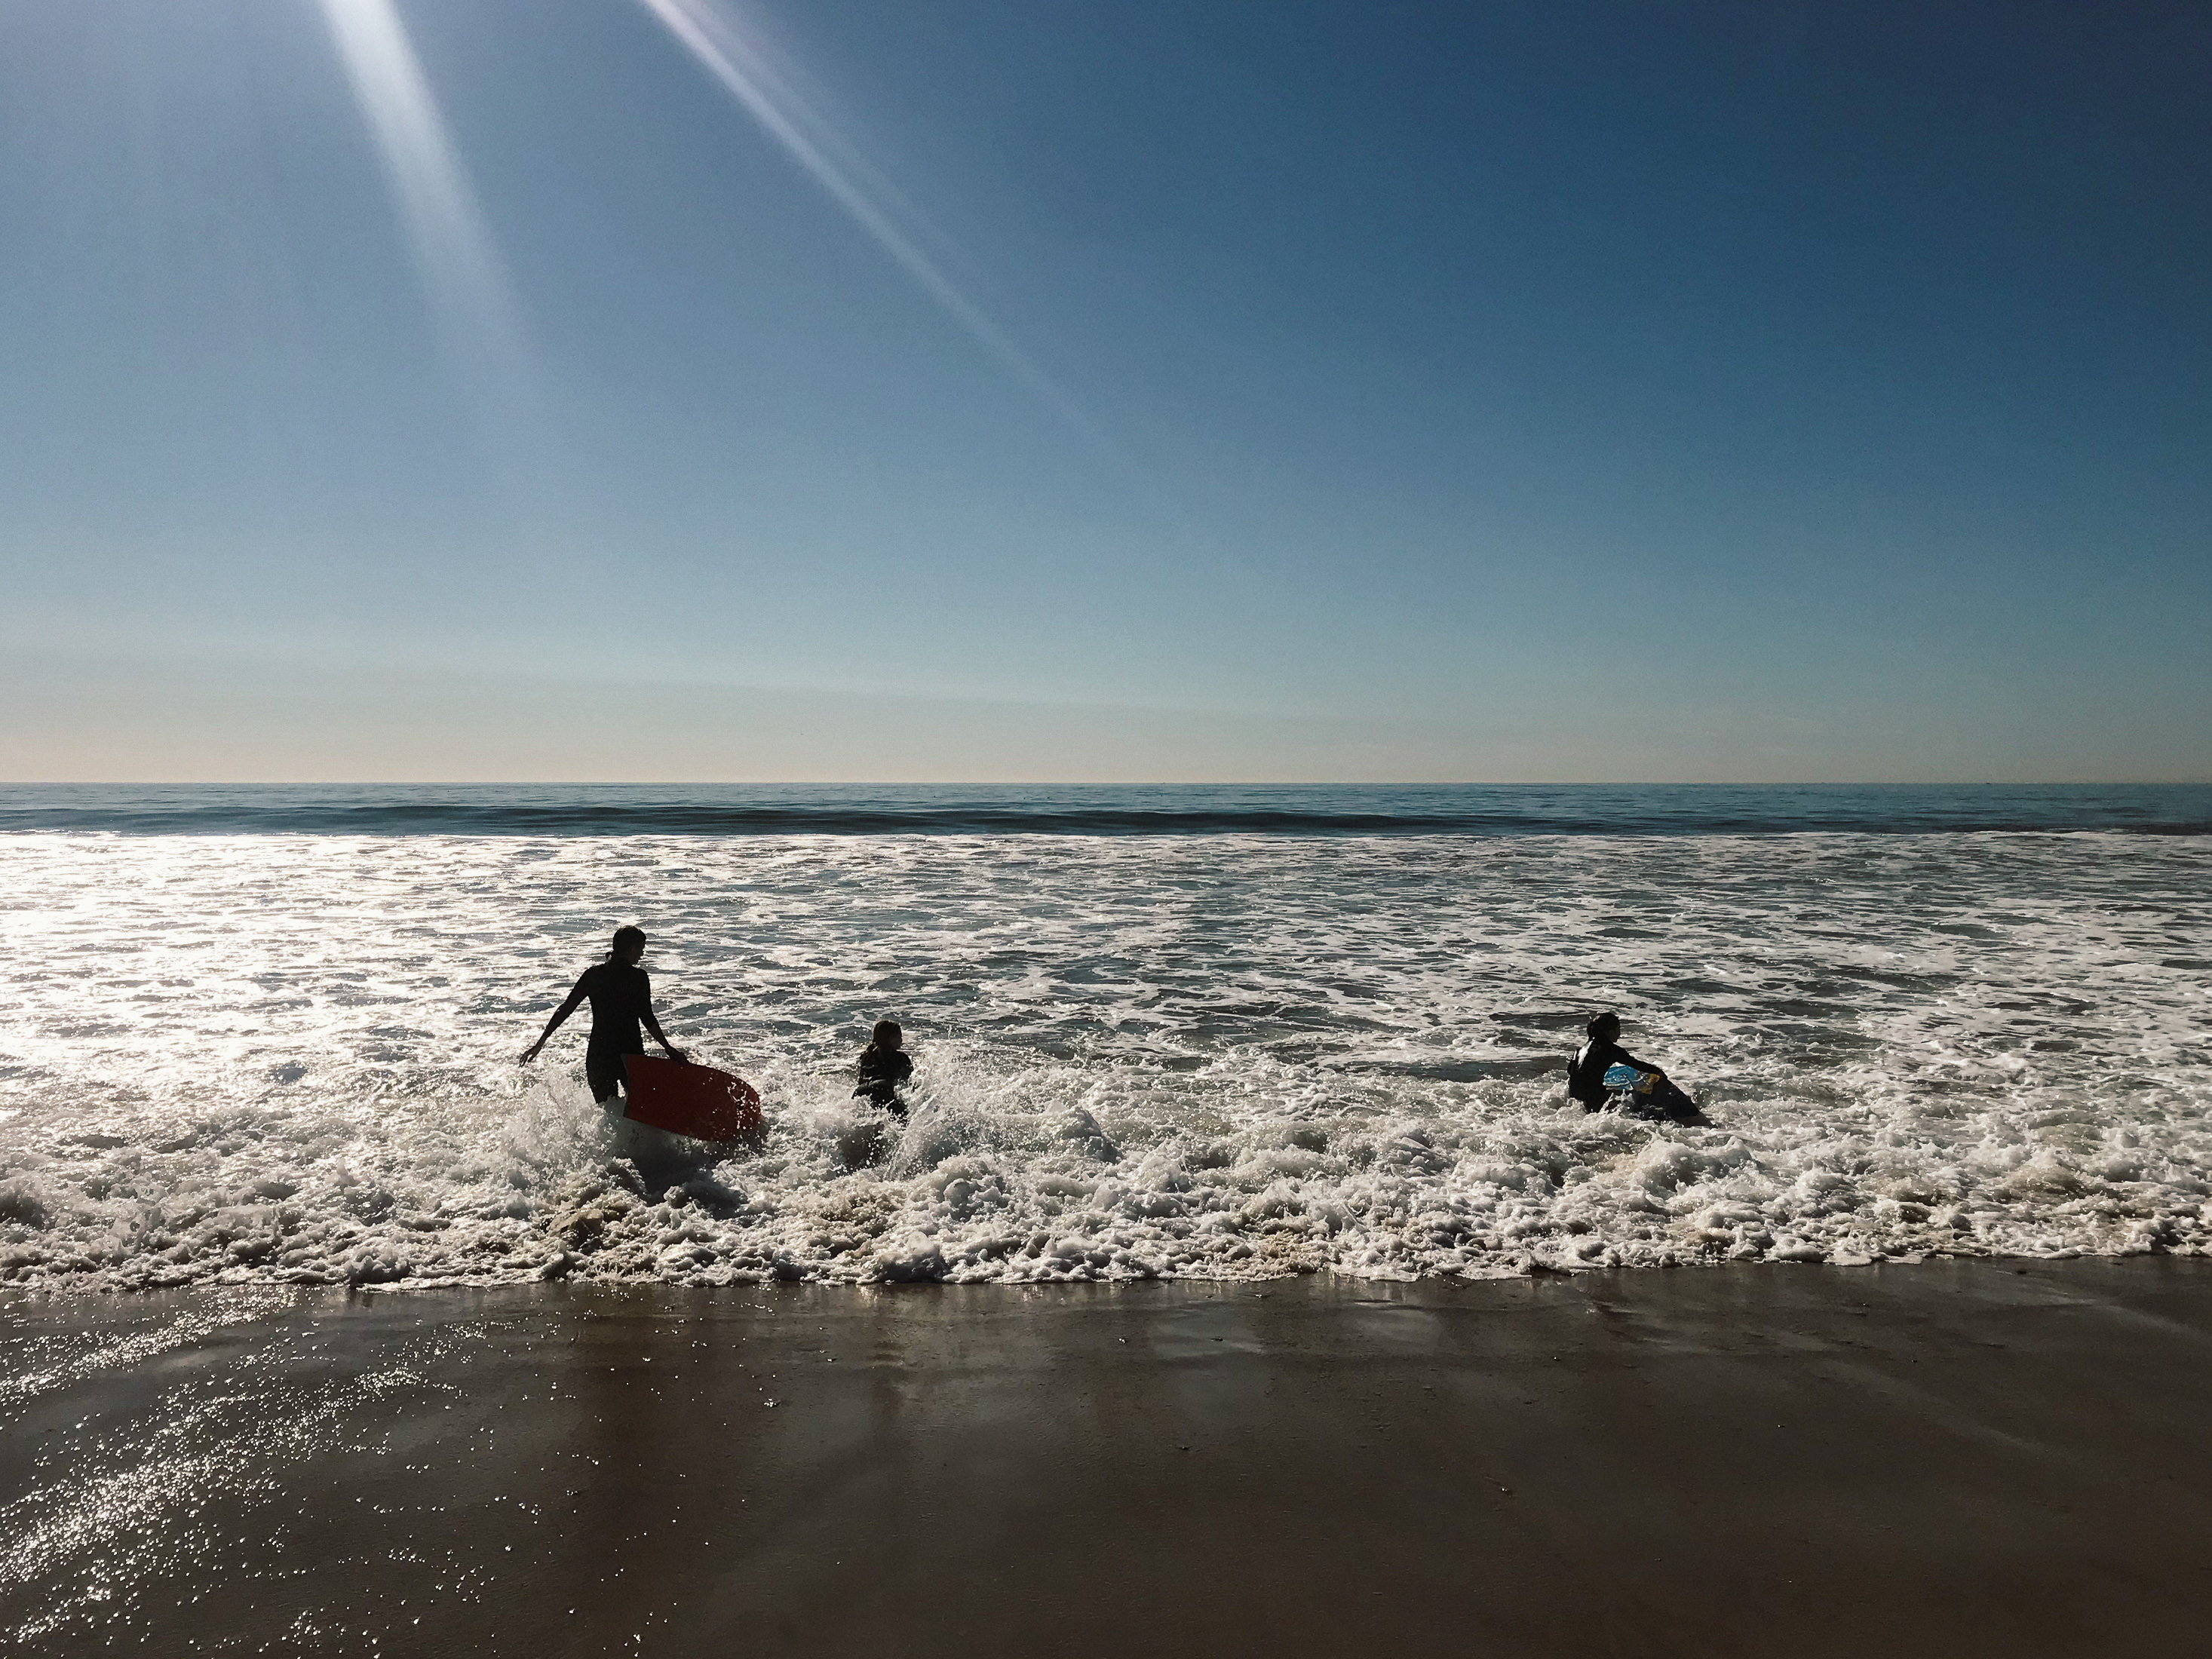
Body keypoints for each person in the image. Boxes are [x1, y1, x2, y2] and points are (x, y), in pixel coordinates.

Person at [520, 925, 688, 1102]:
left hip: (599, 1055)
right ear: (631, 949)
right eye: (641, 948)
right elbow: (647, 1017)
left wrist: (541, 1041)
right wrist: (668, 1048)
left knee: (608, 1113)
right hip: (629, 1054)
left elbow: (566, 1008)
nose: (642, 954)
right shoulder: (638, 977)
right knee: (640, 1108)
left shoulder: (594, 975)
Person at [1567, 1011, 1700, 1122]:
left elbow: (1572, 1072)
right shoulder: (1610, 1049)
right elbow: (1636, 1064)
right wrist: (1658, 1072)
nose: (1619, 1033)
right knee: (1634, 1104)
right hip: (1593, 1096)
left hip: (1575, 1094)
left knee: (1614, 1096)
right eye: (1618, 1029)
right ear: (1610, 1031)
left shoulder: (1580, 1050)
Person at [853, 1019, 915, 1118]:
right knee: (904, 1121)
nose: (901, 1040)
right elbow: (910, 1081)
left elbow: (861, 1079)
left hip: (861, 1091)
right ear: (891, 1039)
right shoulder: (900, 1057)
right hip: (883, 1088)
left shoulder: (867, 1055)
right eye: (899, 1037)